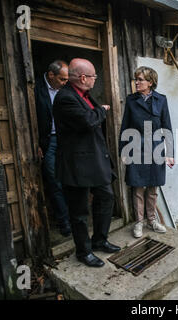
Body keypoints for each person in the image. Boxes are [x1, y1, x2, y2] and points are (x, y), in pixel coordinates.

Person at [53, 58, 120, 268]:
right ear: (83, 78)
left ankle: (99, 240)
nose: (95, 80)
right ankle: (84, 251)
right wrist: (103, 110)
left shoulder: (86, 96)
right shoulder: (65, 98)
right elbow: (88, 121)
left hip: (96, 162)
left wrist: (97, 110)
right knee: (79, 212)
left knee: (106, 198)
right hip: (77, 165)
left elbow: (91, 118)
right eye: (93, 76)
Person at [119, 66, 174, 238]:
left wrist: (170, 153)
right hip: (136, 148)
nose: (137, 82)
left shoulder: (161, 100)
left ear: (150, 82)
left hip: (156, 148)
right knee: (138, 188)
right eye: (136, 79)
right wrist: (124, 150)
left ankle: (152, 221)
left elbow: (167, 127)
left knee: (153, 188)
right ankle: (139, 223)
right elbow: (125, 127)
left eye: (141, 79)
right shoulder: (131, 100)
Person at [35, 60, 71, 237]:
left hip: (65, 140)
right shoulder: (35, 88)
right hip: (47, 141)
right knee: (54, 181)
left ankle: (74, 217)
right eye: (62, 79)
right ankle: (64, 222)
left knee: (69, 178)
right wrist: (35, 143)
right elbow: (28, 117)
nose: (65, 82)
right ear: (51, 75)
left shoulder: (65, 89)